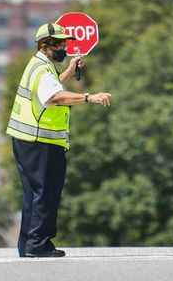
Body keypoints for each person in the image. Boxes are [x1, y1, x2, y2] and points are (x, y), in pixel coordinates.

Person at [6, 22, 112, 257]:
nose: (64, 47)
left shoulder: (40, 65)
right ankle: (39, 245)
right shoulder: (43, 70)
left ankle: (29, 245)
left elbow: (50, 87)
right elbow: (54, 96)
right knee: (46, 192)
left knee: (33, 193)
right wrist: (89, 97)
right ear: (45, 45)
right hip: (40, 141)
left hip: (27, 140)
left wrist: (68, 70)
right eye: (60, 44)